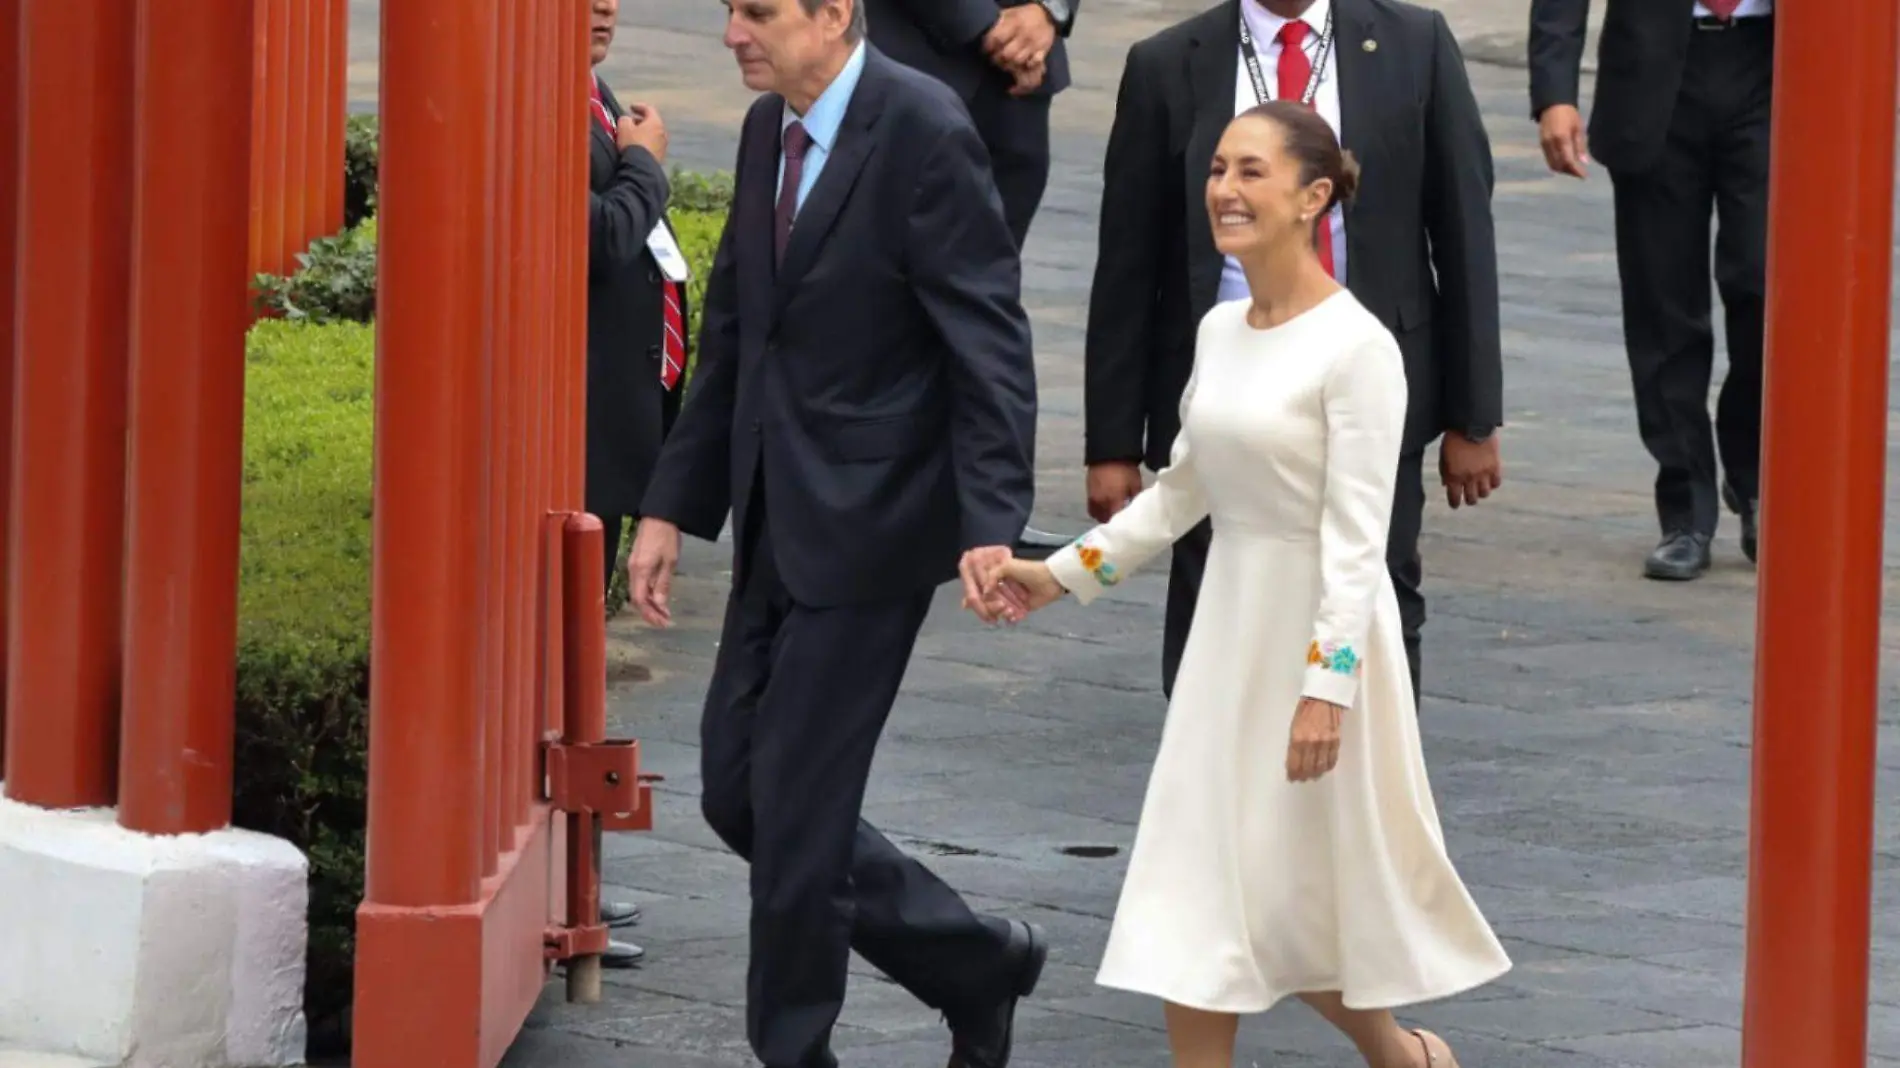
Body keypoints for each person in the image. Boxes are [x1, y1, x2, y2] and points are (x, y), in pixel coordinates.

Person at [971, 103, 1509, 1068]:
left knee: (1292, 894)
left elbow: (1358, 543)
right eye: (1219, 167)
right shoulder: (1220, 330)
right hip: (1228, 632)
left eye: (1252, 171)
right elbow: (1182, 491)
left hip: (1319, 638)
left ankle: (1400, 1053)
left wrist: (1326, 687)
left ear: (1312, 197)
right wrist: (1059, 574)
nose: (1225, 188)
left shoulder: (1360, 350)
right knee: (1196, 887)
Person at [623, 1, 1047, 1065]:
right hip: (776, 513)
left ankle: (794, 1051)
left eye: (757, 11)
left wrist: (993, 525)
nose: (732, 35)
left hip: (876, 526)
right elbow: (735, 332)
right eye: (729, 11)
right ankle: (972, 961)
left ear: (834, 14)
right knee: (737, 792)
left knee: (801, 817)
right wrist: (672, 504)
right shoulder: (773, 123)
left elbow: (988, 341)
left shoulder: (924, 128)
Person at [1083, 0, 1504, 704]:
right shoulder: (1165, 64)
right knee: (1214, 592)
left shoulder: (1414, 44)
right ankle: (1219, 757)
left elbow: (1463, 234)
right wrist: (1113, 444)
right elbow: (1127, 264)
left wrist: (1475, 415)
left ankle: (1353, 754)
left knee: (1373, 587)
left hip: (1368, 383)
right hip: (1221, 388)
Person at [1529, 0, 1769, 580]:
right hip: (1654, 78)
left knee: (1766, 289)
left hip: (1775, 67)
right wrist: (1555, 92)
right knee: (1664, 307)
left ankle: (1758, 476)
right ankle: (1686, 509)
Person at [864, 0, 1081, 559]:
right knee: (890, 293)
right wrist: (987, 27)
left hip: (1020, 88)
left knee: (990, 305)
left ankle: (991, 510)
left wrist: (1047, 12)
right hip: (918, 56)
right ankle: (891, 500)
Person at [582, 0, 678, 967]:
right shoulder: (542, 104)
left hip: (610, 431)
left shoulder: (594, 91)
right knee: (559, 674)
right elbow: (602, 239)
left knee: (578, 670)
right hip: (569, 438)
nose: (605, 6)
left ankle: (585, 881)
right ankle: (574, 883)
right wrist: (647, 161)